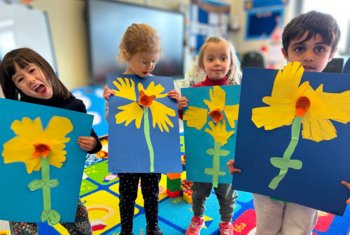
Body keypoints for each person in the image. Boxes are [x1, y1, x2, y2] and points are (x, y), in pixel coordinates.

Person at [229, 10, 341, 235]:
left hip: (309, 181)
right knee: (267, 227)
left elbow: (340, 144)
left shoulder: (339, 98)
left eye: (319, 48)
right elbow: (252, 130)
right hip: (265, 177)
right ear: (285, 52)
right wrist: (241, 159)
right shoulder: (265, 89)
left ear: (332, 53)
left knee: (297, 229)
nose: (308, 56)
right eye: (300, 48)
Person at [0, 47, 102, 235]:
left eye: (31, 70)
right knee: (23, 229)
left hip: (59, 183)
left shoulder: (74, 107)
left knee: (79, 219)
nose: (30, 80)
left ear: (45, 68)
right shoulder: (18, 115)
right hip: (22, 187)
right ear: (16, 88)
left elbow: (92, 139)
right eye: (20, 79)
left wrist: (93, 144)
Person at [103, 23, 173, 235]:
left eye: (153, 60)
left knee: (151, 194)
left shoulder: (159, 86)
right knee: (127, 195)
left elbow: (169, 120)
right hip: (127, 156)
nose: (150, 66)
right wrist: (111, 103)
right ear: (126, 55)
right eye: (144, 61)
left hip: (151, 156)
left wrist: (175, 101)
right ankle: (126, 230)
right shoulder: (117, 86)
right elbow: (110, 120)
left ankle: (153, 227)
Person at [177, 36, 242, 235]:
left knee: (227, 193)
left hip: (227, 154)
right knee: (199, 191)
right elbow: (188, 119)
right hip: (202, 152)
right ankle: (197, 219)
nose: (217, 63)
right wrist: (181, 108)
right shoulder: (194, 93)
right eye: (211, 58)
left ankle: (225, 222)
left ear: (230, 64)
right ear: (202, 64)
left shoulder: (236, 92)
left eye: (223, 58)